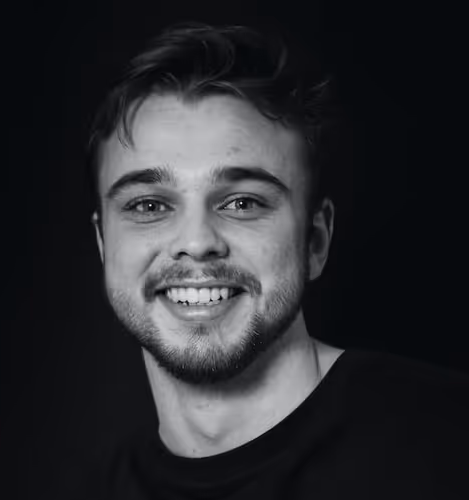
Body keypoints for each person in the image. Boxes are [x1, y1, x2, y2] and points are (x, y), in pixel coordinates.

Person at [79, 21, 469, 500]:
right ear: (103, 244)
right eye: (149, 205)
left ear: (315, 241)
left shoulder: (450, 440)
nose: (197, 242)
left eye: (242, 202)